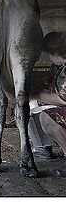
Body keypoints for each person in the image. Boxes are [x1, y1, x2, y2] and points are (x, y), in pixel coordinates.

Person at [29, 31, 66, 177]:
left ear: (57, 52)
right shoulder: (58, 65)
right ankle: (43, 147)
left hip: (63, 102)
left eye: (49, 54)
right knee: (31, 104)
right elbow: (50, 83)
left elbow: (64, 98)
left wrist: (38, 94)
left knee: (47, 118)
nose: (49, 58)